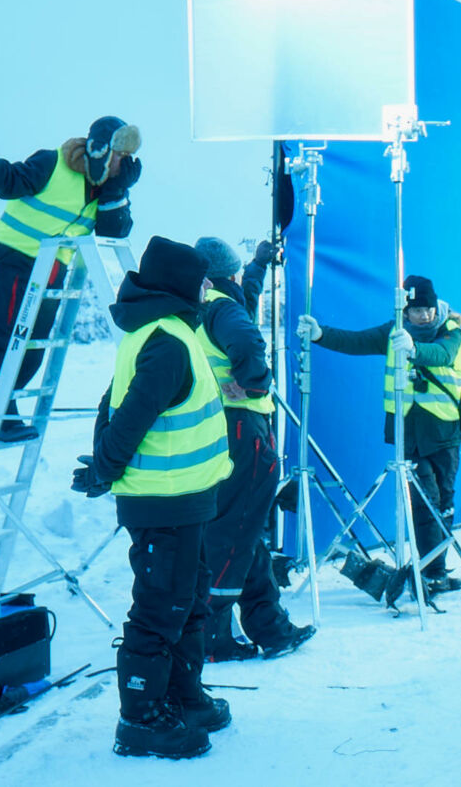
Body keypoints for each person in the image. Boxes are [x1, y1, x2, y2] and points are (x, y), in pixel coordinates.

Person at [70, 236, 233, 759]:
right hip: (162, 502)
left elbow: (110, 400)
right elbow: (131, 413)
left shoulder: (165, 332)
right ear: (180, 285)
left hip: (185, 500)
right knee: (162, 607)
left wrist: (102, 463)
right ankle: (140, 718)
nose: (209, 288)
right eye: (202, 280)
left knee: (189, 600)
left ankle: (182, 696)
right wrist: (103, 468)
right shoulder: (166, 340)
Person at [0, 117, 142, 448]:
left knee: (32, 354)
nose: (125, 163)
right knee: (5, 343)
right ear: (100, 150)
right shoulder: (53, 162)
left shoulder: (105, 188)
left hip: (50, 270)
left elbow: (115, 231)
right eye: (121, 156)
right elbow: (9, 181)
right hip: (12, 258)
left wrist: (116, 191)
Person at [296, 275, 461, 595]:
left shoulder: (452, 332)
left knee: (443, 503)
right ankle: (431, 572)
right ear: (405, 308)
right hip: (409, 434)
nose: (424, 316)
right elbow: (355, 341)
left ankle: (435, 570)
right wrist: (320, 334)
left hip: (444, 434)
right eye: (416, 311)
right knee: (424, 501)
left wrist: (415, 348)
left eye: (428, 309)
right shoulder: (392, 332)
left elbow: (442, 354)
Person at [193, 237, 315, 661]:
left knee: (246, 528)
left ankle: (271, 627)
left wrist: (261, 262)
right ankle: (213, 636)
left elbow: (249, 292)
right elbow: (246, 341)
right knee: (235, 530)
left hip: (219, 429)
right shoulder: (223, 308)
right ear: (226, 274)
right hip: (244, 428)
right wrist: (256, 382)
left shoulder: (201, 304)